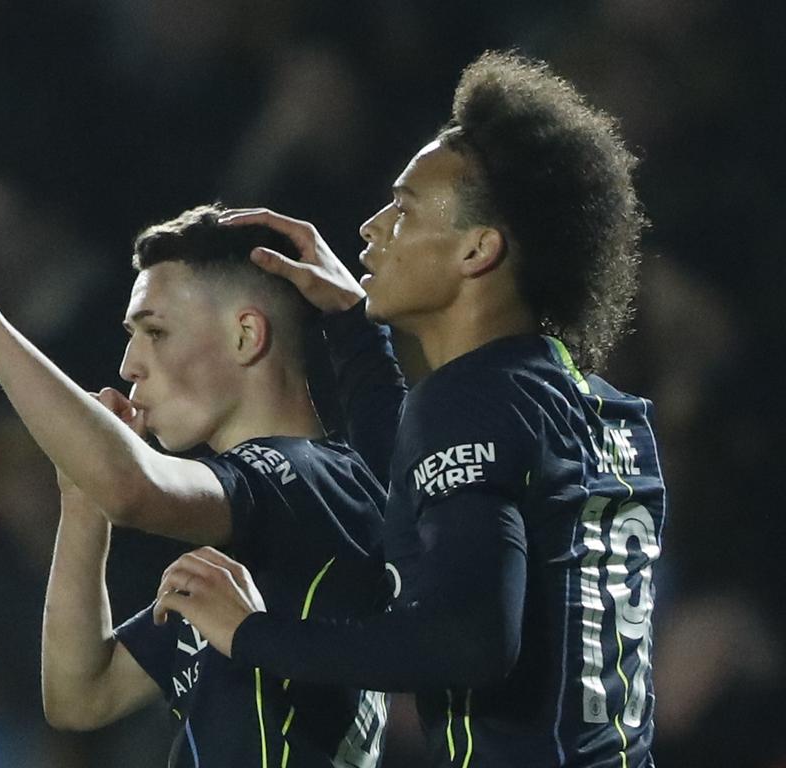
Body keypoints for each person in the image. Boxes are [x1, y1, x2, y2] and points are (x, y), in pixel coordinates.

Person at [154, 50, 665, 768]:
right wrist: (355, 331)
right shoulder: (603, 415)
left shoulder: (470, 402)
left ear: (477, 250)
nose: (371, 226)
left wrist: (253, 634)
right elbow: (426, 505)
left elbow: (469, 640)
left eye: (404, 207)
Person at [0, 192, 390, 767]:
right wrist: (80, 500)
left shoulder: (315, 479)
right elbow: (80, 696)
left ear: (246, 336)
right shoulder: (259, 554)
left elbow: (133, 487)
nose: (128, 364)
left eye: (156, 332)